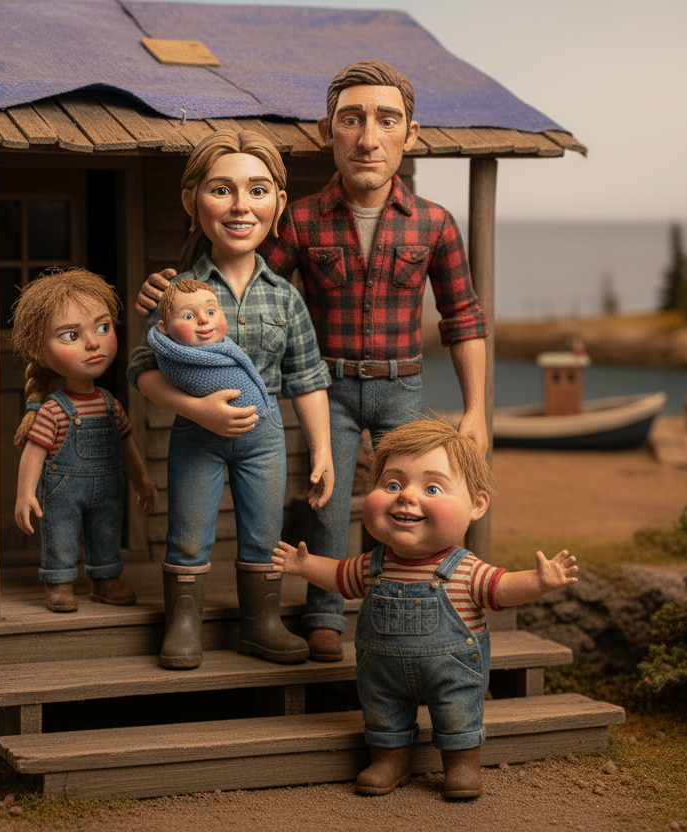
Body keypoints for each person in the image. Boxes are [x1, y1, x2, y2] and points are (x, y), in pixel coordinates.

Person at [136, 60, 490, 663]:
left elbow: (464, 317)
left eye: (386, 120)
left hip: (401, 385)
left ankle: (426, 601)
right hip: (329, 385)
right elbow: (241, 253)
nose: (368, 137)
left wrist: (478, 409)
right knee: (326, 501)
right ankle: (324, 614)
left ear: (411, 132)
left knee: (419, 496)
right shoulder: (300, 217)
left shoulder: (434, 224)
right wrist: (169, 294)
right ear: (329, 130)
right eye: (351, 120)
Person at [273, 419, 577, 800]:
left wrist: (539, 581)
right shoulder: (372, 564)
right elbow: (339, 576)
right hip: (383, 672)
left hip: (452, 671)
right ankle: (389, 759)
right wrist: (304, 566)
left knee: (459, 715)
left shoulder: (465, 569)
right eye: (393, 484)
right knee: (383, 714)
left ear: (476, 504)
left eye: (432, 487)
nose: (405, 497)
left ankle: (462, 765)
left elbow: (501, 588)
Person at [127, 130, 334, 670]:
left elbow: (307, 377)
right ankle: (183, 623)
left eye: (259, 190)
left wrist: (323, 451)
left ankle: (261, 623)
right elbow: (143, 370)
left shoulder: (285, 295)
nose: (241, 206)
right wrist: (198, 409)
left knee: (264, 531)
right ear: (192, 200)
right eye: (221, 190)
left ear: (279, 203)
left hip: (264, 438)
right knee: (190, 528)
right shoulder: (179, 294)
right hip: (198, 435)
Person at [10, 268, 158, 612]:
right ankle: (59, 582)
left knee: (106, 530)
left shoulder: (110, 403)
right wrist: (25, 494)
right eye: (71, 335)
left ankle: (105, 579)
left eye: (102, 328)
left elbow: (127, 444)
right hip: (63, 490)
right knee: (60, 532)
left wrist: (142, 480)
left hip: (107, 487)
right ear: (38, 348)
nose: (93, 343)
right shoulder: (53, 409)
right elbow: (35, 452)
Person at [148, 278, 269, 415]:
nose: (204, 320)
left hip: (265, 417)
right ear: (164, 327)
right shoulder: (174, 359)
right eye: (188, 316)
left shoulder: (226, 346)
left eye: (210, 312)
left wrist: (232, 357)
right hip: (205, 419)